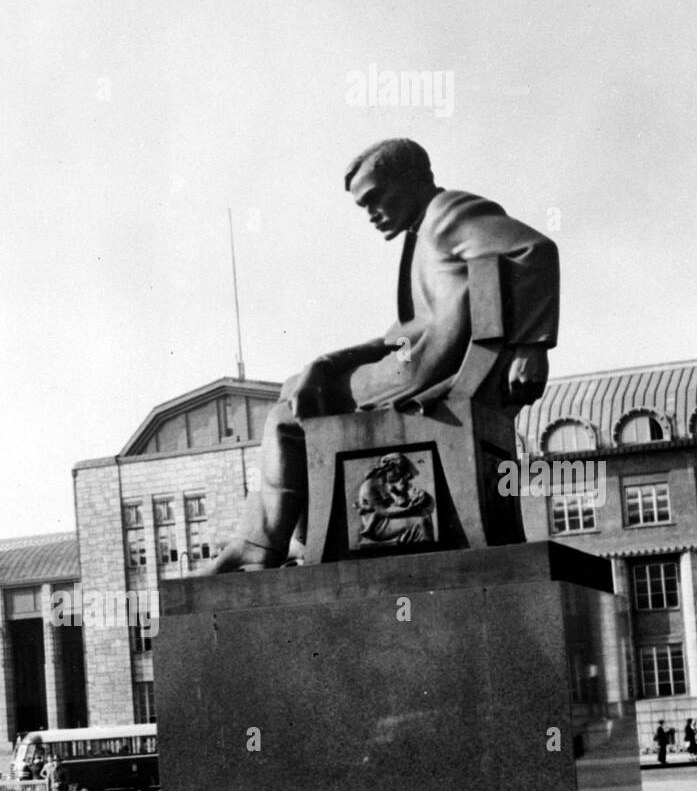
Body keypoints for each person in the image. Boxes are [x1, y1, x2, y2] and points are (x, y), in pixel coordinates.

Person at [210, 137, 560, 571]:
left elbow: (535, 249)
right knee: (298, 387)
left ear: (413, 180)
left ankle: (263, 547)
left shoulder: (449, 214)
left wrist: (532, 346)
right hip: (412, 362)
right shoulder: (425, 230)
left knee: (286, 415)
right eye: (364, 205)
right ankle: (302, 539)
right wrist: (325, 364)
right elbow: (405, 330)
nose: (372, 213)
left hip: (418, 372)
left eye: (377, 197)